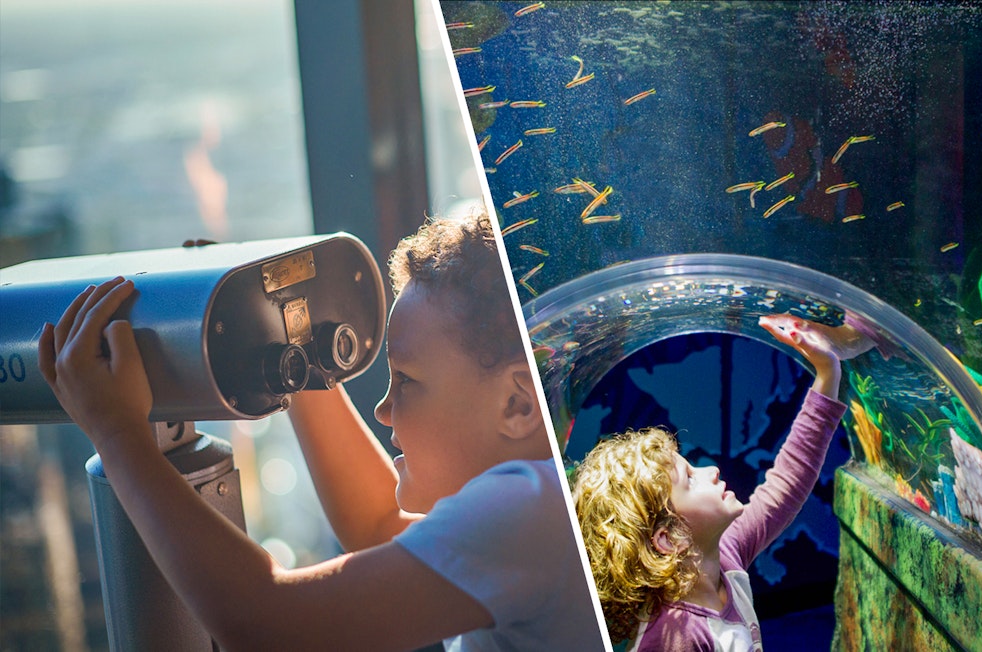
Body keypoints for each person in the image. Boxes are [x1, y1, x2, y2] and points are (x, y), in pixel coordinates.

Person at [38, 212, 606, 651]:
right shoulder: (546, 505)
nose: (383, 410)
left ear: (517, 403)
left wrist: (117, 435)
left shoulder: (530, 510)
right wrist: (288, 342)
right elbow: (377, 523)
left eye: (406, 381)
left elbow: (267, 623)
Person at [571, 317, 848, 651]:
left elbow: (787, 483)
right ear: (668, 538)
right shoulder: (674, 637)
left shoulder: (724, 557)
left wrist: (827, 372)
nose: (712, 470)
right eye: (689, 478)